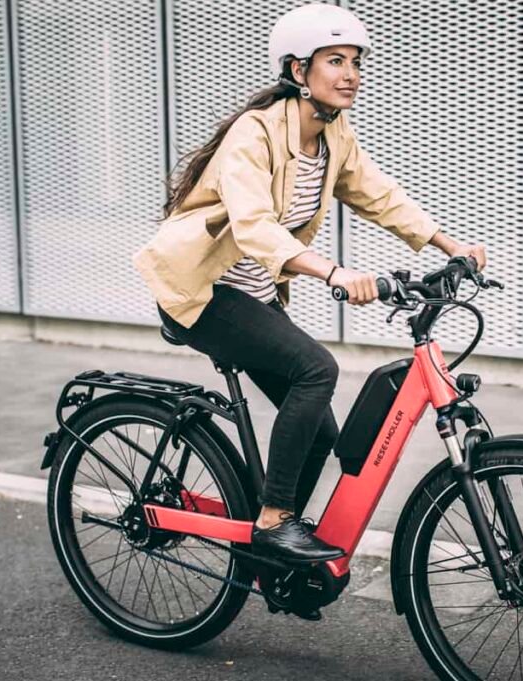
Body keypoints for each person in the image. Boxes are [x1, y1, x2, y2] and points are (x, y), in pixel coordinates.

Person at [133, 3, 487, 564]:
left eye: (356, 62)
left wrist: (450, 246)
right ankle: (275, 522)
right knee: (315, 369)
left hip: (255, 296)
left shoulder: (332, 134)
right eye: (335, 61)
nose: (350, 74)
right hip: (202, 294)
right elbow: (253, 229)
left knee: (321, 433)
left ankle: (264, 550)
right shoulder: (255, 134)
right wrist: (333, 272)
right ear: (298, 71)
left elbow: (379, 194)